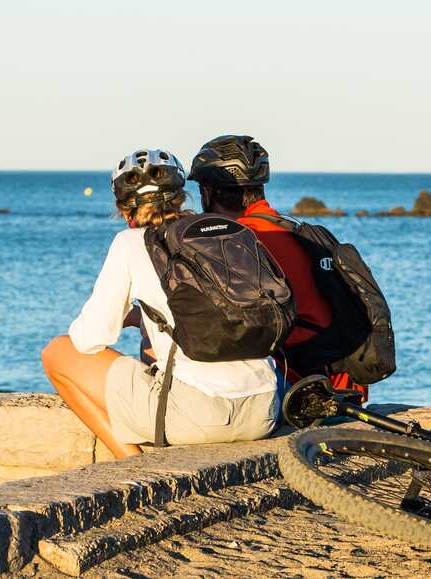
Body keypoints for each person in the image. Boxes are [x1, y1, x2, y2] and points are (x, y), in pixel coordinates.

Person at [41, 148, 279, 459]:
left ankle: (130, 463)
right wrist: (145, 318)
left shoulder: (130, 242)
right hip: (264, 409)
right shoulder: (226, 232)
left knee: (57, 352)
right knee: (151, 343)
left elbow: (89, 339)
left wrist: (121, 315)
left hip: (201, 417)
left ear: (125, 211)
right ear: (182, 197)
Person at [188, 135, 368, 401]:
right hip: (342, 381)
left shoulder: (235, 243)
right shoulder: (296, 231)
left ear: (208, 190)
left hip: (295, 386)